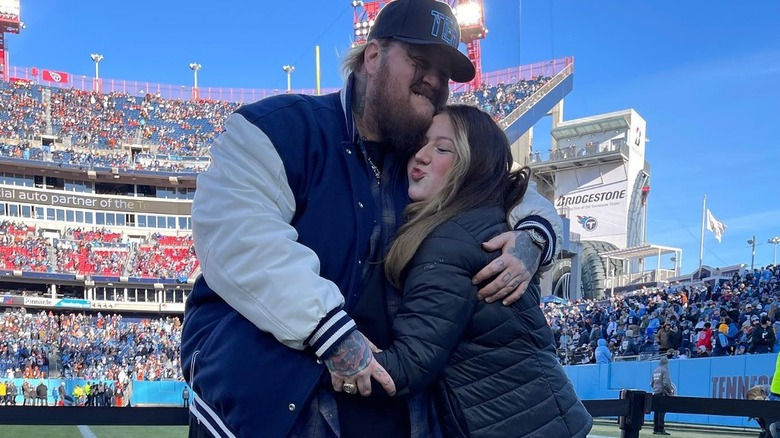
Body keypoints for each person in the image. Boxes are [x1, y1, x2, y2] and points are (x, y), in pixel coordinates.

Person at [181, 0, 563, 436]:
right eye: (420, 61)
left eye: (444, 74)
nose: (434, 81)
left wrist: (534, 234)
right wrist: (331, 332)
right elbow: (236, 234)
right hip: (273, 402)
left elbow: (504, 185)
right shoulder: (282, 128)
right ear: (373, 56)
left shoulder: (427, 158)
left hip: (391, 409)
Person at [328, 105, 592, 437]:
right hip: (552, 420)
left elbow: (410, 365)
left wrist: (331, 349)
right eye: (421, 145)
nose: (420, 156)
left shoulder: (450, 241)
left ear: (472, 165)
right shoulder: (488, 219)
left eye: (441, 148)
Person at [650, 356, 674, 435]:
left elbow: (651, 383)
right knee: (662, 411)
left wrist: (655, 388)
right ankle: (661, 429)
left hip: (655, 392)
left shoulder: (655, 370)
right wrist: (669, 391)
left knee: (656, 411)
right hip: (662, 392)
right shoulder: (665, 370)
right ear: (666, 363)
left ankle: (655, 429)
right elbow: (666, 383)